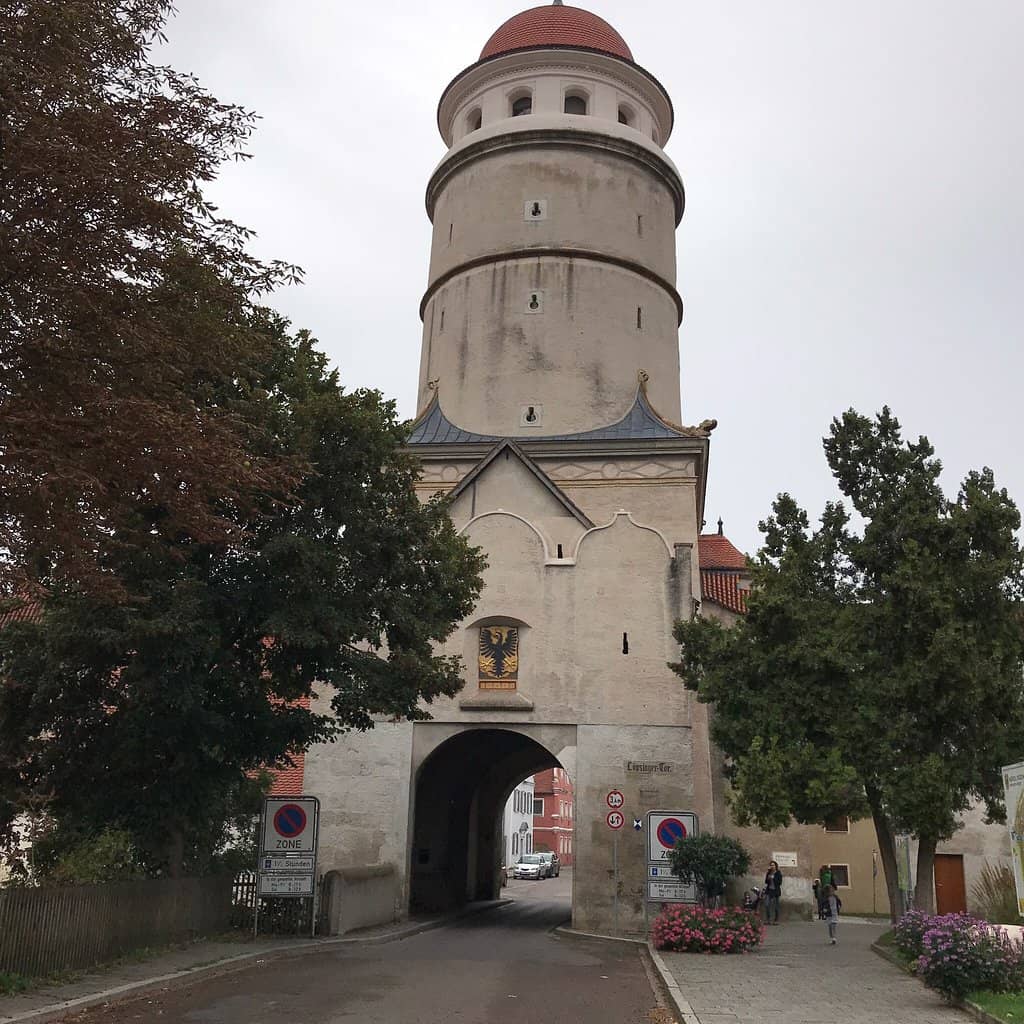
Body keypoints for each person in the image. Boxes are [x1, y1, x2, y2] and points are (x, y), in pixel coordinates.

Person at [763, 860, 782, 924]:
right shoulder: (768, 873)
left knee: (776, 906)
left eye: (773, 865)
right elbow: (766, 882)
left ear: (776, 866)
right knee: (767, 905)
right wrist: (768, 877)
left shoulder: (778, 873)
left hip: (776, 891)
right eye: (771, 865)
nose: (772, 866)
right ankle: (768, 919)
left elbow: (779, 883)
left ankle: (776, 920)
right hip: (769, 891)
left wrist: (773, 878)